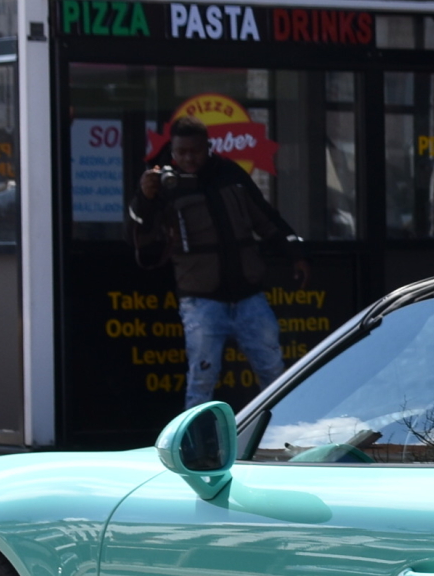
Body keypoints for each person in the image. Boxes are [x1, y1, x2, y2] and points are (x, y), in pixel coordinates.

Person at [130, 116, 310, 411]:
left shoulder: (230, 173)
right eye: (181, 152)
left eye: (195, 151)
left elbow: (265, 218)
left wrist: (297, 255)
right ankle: (192, 447)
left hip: (249, 295)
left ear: (208, 147)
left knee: (274, 372)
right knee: (201, 380)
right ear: (172, 151)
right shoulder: (164, 183)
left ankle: (283, 434)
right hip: (201, 301)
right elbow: (140, 241)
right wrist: (144, 198)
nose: (188, 158)